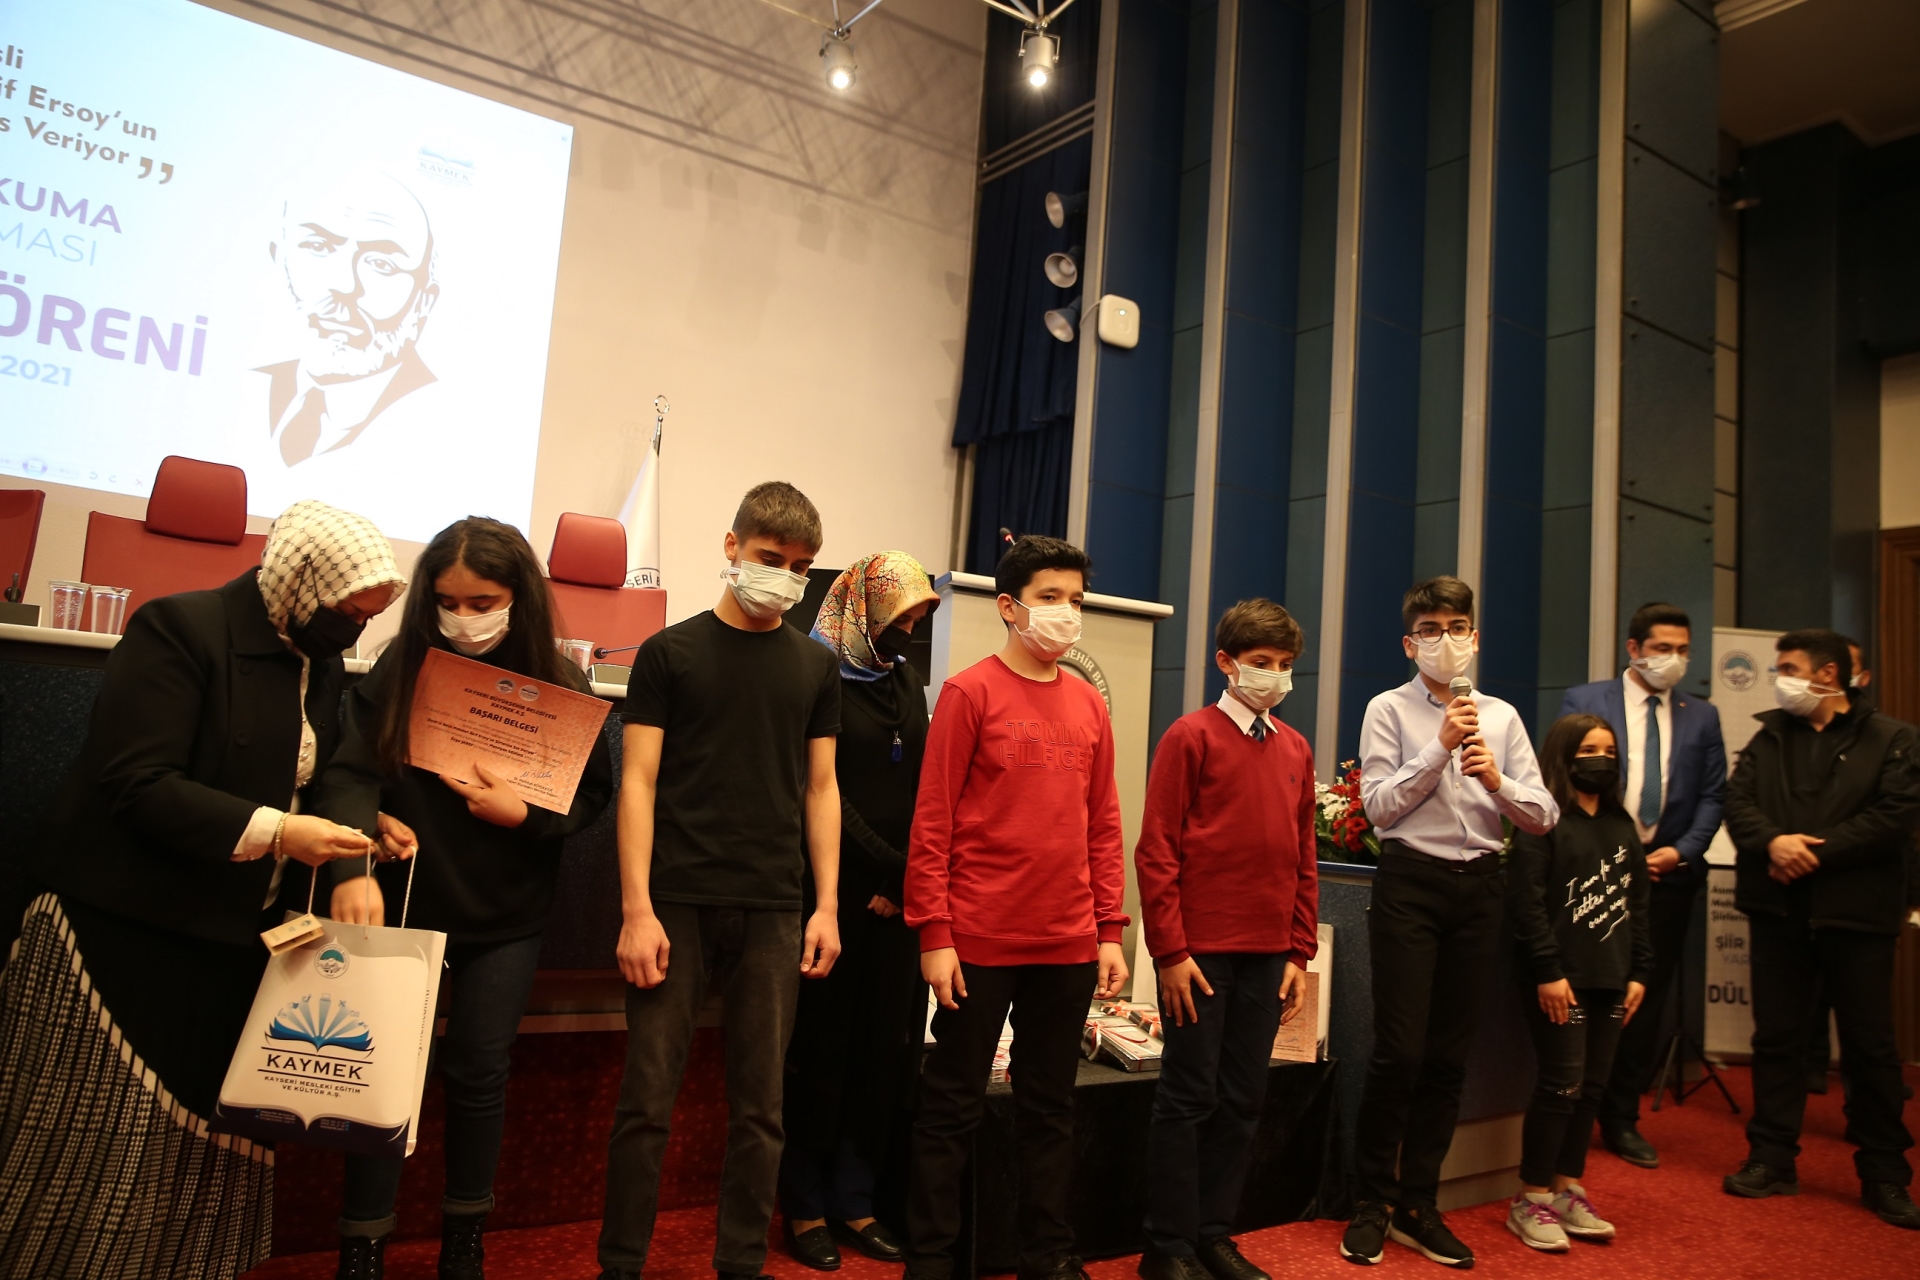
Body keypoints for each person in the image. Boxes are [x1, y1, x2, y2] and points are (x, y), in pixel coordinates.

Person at [0, 501, 407, 1280]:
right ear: (301, 584)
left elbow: (324, 771)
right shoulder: (179, 629)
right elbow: (138, 782)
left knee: (194, 1151)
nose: (354, 630)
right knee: (95, 1142)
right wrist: (282, 832)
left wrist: (360, 831)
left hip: (228, 935)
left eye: (369, 616)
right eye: (348, 612)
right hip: (123, 929)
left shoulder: (315, 659)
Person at [314, 517, 615, 1280]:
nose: (464, 618)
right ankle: (363, 1243)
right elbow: (347, 773)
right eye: (448, 602)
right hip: (406, 901)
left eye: (483, 602)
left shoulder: (559, 678)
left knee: (481, 1072)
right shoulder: (403, 663)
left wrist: (526, 816)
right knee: (384, 1071)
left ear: (518, 597)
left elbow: (589, 798)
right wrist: (354, 859)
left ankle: (464, 1238)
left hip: (505, 912)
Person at [599, 482, 844, 1280]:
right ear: (732, 547)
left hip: (775, 906)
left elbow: (821, 790)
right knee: (646, 1102)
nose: (785, 577)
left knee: (761, 1108)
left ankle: (741, 1264)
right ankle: (620, 1266)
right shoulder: (670, 654)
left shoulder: (815, 665)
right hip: (674, 901)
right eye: (772, 558)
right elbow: (638, 783)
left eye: (801, 567)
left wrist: (827, 906)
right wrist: (636, 908)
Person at [903, 535, 1130, 1280]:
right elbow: (932, 820)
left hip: (1067, 941)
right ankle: (931, 1262)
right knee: (952, 1106)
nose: (1066, 612)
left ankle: (1048, 1255)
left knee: (1049, 1108)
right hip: (976, 938)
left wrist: (1109, 929)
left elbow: (1103, 823)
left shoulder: (1089, 703)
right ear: (1009, 606)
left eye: (1075, 600)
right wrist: (934, 933)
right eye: (1049, 598)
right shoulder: (969, 693)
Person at [1340, 575, 1557, 1269]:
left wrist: (1497, 781)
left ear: (1475, 637)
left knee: (1446, 1058)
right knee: (1399, 1052)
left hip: (1481, 887)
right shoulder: (1387, 709)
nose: (1445, 640)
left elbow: (1543, 815)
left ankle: (1419, 1203)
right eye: (1430, 630)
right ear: (1410, 644)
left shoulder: (1503, 717)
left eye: (1456, 628)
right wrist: (1438, 748)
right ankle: (1372, 1200)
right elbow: (1378, 807)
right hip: (1412, 883)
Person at [1133, 599, 1318, 1280]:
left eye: (1285, 665)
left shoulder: (1295, 747)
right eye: (1261, 662)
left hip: (1269, 954)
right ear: (1226, 662)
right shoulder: (1190, 737)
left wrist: (1299, 952)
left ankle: (1214, 1234)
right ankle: (1168, 1246)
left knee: (1243, 1099)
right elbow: (1156, 851)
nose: (1274, 675)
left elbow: (1303, 856)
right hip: (1200, 955)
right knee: (1188, 1098)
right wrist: (1170, 953)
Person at [1721, 628, 1920, 1230]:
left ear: (1827, 674)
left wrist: (1815, 852)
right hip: (1778, 911)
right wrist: (1773, 843)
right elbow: (1737, 802)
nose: (1778, 678)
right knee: (1777, 1039)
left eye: (1787, 668)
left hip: (1856, 915)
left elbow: (1894, 816)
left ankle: (1884, 1173)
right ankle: (1771, 1157)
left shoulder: (1893, 739)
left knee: (1869, 1045)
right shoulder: (1769, 736)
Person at [779, 552, 940, 1270]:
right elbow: (819, 791)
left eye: (920, 616)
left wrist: (906, 880)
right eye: (901, 615)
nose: (910, 629)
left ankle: (856, 1199)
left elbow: (926, 785)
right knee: (822, 1055)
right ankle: (805, 1204)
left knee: (882, 1057)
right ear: (863, 609)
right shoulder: (816, 676)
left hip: (898, 899)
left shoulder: (907, 680)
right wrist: (884, 869)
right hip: (833, 895)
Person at [1558, 602, 1724, 1168]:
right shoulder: (1586, 700)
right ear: (1634, 649)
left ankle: (1621, 1116)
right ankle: (1569, 1102)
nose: (1673, 659)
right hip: (1595, 872)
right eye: (1662, 649)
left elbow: (1713, 795)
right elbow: (1563, 774)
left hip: (1667, 876)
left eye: (1682, 650)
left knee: (1642, 997)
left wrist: (1682, 852)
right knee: (1584, 989)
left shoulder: (1702, 716)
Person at [1503, 714, 1651, 1252]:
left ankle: (1567, 1189)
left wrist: (1640, 972)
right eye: (1589, 750)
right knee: (1561, 1085)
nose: (1601, 759)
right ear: (1565, 756)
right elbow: (1527, 905)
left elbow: (1638, 903)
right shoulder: (1542, 820)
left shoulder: (1621, 823)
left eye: (1609, 751)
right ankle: (1531, 1197)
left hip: (1613, 977)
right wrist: (1548, 971)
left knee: (1591, 1087)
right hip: (1558, 980)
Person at [262, 171, 440, 465]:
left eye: (381, 264)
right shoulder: (247, 386)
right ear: (279, 261)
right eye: (318, 247)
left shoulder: (440, 421)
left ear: (423, 302)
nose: (345, 285)